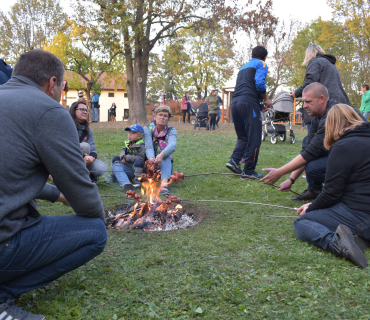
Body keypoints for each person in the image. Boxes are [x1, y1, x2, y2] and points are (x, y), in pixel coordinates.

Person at [0, 49, 107, 319]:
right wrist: (104, 217)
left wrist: (56, 196)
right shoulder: (48, 110)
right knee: (95, 232)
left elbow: (12, 177)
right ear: (52, 83)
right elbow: (82, 193)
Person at [294, 104, 370, 269]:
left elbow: (331, 193)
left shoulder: (343, 147)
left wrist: (312, 208)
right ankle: (361, 236)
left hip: (361, 213)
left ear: (331, 125)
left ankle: (337, 243)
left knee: (303, 223)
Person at [262, 82, 364, 201]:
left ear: (321, 99)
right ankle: (315, 190)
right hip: (345, 154)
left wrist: (280, 172)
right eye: (304, 101)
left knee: (313, 168)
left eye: (308, 102)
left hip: (360, 162)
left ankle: (348, 190)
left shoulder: (332, 115)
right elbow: (308, 149)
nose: (304, 106)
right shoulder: (317, 117)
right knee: (307, 141)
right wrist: (291, 179)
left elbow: (312, 152)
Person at [226, 45, 272, 179]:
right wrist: (266, 99)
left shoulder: (243, 67)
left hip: (235, 103)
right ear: (264, 56)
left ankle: (234, 160)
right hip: (248, 103)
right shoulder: (261, 63)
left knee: (243, 136)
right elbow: (259, 83)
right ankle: (248, 171)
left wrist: (257, 106)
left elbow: (245, 88)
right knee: (255, 137)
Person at [69, 101, 107, 182]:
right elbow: (67, 147)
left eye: (86, 110)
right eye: (82, 109)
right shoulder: (68, 126)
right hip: (69, 159)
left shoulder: (88, 130)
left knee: (102, 168)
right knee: (85, 146)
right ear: (74, 111)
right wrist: (83, 156)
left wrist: (91, 158)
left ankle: (87, 174)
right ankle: (74, 176)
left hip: (85, 160)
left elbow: (93, 149)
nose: (85, 112)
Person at [144, 105, 177, 195]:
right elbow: (148, 146)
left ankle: (164, 185)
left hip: (163, 159)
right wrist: (151, 159)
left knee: (166, 157)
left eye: (165, 116)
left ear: (168, 118)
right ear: (155, 116)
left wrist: (162, 155)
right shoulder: (147, 128)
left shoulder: (171, 130)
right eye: (160, 114)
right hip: (149, 157)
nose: (162, 117)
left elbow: (172, 145)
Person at [110, 124, 146, 191]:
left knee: (139, 162)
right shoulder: (129, 142)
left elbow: (140, 158)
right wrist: (123, 157)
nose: (130, 135)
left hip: (136, 169)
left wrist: (127, 158)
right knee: (116, 158)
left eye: (133, 133)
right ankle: (114, 177)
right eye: (129, 132)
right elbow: (123, 151)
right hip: (127, 165)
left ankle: (137, 180)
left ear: (139, 136)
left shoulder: (141, 145)